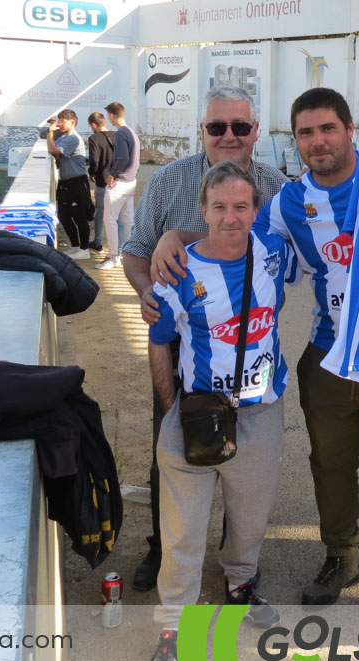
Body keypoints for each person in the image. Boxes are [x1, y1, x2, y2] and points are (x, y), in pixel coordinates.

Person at [151, 88, 359, 631]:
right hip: (326, 356)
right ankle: (342, 557)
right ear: (293, 141)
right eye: (305, 133)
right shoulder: (284, 204)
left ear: (350, 129)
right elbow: (230, 233)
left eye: (328, 128)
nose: (318, 141)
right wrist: (170, 235)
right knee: (330, 466)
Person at [121, 86, 287, 593]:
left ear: (255, 131)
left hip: (250, 362)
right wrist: (150, 289)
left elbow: (300, 235)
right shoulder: (170, 179)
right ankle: (163, 548)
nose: (230, 136)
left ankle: (237, 567)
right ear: (203, 130)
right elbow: (135, 250)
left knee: (245, 475)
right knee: (176, 447)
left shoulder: (277, 188)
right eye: (218, 126)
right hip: (179, 347)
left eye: (241, 126)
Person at [144, 161, 297, 661]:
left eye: (240, 207)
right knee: (182, 531)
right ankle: (172, 629)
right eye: (220, 208)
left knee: (250, 517)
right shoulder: (178, 271)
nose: (230, 218)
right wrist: (171, 410)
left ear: (255, 210)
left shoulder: (274, 251)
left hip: (261, 413)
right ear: (203, 211)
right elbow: (159, 342)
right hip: (198, 414)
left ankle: (240, 583)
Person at [98, 102, 140, 270]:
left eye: (109, 116)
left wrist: (112, 174)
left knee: (110, 219)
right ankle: (131, 254)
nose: (109, 119)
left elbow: (122, 158)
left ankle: (113, 256)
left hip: (121, 181)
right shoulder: (131, 132)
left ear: (113, 115)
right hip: (131, 180)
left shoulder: (122, 133)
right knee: (128, 219)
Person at [47, 109, 93, 259]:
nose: (60, 124)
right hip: (66, 182)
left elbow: (52, 150)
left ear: (73, 122)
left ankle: (84, 249)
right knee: (63, 215)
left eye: (63, 121)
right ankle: (75, 246)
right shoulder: (64, 137)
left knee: (79, 216)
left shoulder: (73, 139)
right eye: (59, 121)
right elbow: (55, 151)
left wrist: (50, 132)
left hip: (77, 183)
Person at [86, 112, 116, 252]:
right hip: (117, 180)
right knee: (118, 217)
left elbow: (94, 160)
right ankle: (119, 247)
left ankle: (98, 242)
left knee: (100, 213)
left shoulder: (94, 138)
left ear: (93, 124)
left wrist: (91, 172)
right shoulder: (116, 136)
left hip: (102, 181)